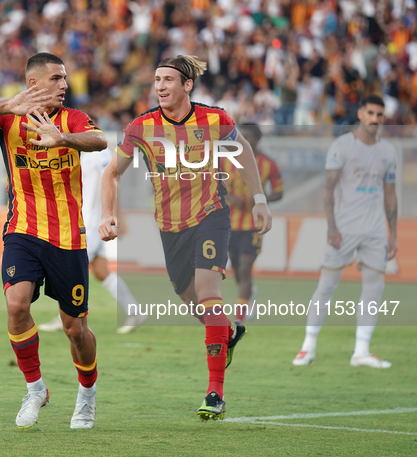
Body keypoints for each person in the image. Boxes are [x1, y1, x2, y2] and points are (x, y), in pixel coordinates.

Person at [99, 55, 272, 421]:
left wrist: (259, 200)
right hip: (170, 226)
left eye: (168, 80)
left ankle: (215, 393)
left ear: (186, 85)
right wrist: (108, 214)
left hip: (212, 216)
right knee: (189, 297)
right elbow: (111, 172)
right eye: (156, 79)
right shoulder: (140, 127)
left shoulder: (215, 119)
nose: (160, 86)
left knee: (209, 294)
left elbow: (244, 151)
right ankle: (228, 333)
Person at [0, 52, 108, 430]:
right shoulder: (9, 116)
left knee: (75, 329)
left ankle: (87, 394)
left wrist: (64, 138)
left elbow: (99, 139)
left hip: (67, 237)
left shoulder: (72, 118)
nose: (65, 85)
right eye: (57, 78)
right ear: (34, 84)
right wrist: (9, 103)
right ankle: (35, 389)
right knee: (15, 304)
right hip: (22, 229)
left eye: (65, 79)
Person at [292, 94, 397, 369]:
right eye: (371, 113)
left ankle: (361, 351)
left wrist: (393, 234)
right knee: (326, 286)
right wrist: (332, 227)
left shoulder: (388, 152)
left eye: (380, 115)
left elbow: (390, 195)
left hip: (375, 230)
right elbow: (328, 188)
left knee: (374, 289)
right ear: (361, 114)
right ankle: (308, 347)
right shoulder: (342, 146)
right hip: (344, 227)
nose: (375, 119)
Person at [38, 148, 147, 334]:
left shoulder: (97, 154)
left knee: (69, 269)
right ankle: (134, 311)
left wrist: (115, 215)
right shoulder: (78, 152)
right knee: (100, 270)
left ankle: (65, 317)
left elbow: (113, 179)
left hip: (92, 223)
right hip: (85, 220)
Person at [221, 123, 283, 321]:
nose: (244, 140)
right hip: (229, 225)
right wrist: (230, 198)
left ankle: (239, 319)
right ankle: (248, 296)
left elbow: (279, 192)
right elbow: (212, 187)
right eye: (241, 136)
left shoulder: (268, 164)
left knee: (246, 268)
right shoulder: (224, 161)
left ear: (258, 139)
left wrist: (258, 199)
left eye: (248, 136)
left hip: (254, 226)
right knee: (236, 268)